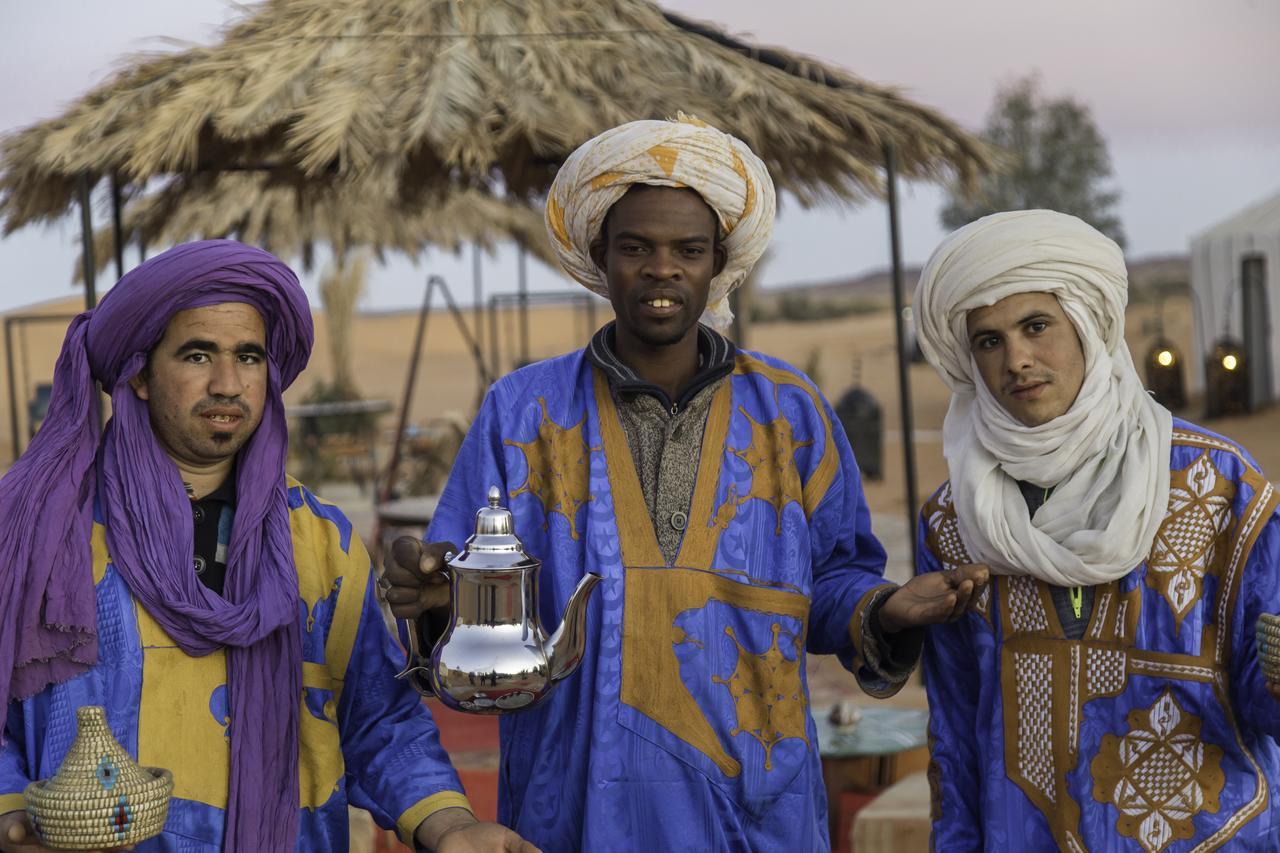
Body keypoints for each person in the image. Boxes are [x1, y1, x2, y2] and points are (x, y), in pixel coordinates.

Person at [383, 116, 988, 851]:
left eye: (687, 250)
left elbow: (831, 583)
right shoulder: (523, 413)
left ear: (719, 263)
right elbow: (467, 613)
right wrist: (437, 598)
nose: (661, 268)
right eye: (635, 248)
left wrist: (886, 608)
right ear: (600, 257)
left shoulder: (790, 412)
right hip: (570, 809)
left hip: (753, 811)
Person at [0, 242, 536, 852]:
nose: (228, 384)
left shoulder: (319, 540)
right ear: (140, 374)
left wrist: (452, 826)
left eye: (248, 357)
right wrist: (9, 814)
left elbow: (378, 720)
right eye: (197, 354)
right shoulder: (40, 531)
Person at [912, 210, 1280, 850]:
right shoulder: (954, 523)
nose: (1017, 360)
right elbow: (955, 734)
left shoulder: (1220, 485)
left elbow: (1263, 702)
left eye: (1036, 326)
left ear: (1088, 326)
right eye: (989, 341)